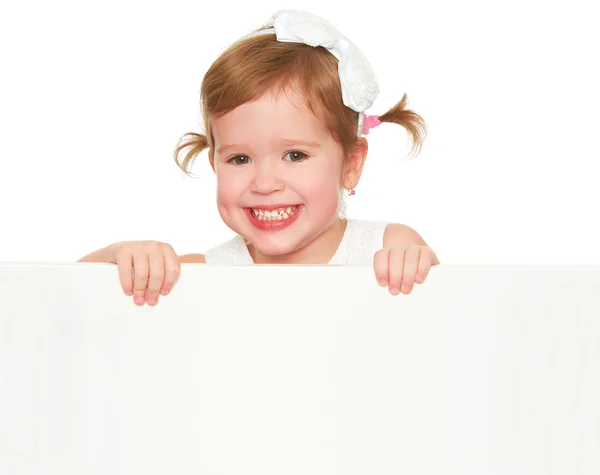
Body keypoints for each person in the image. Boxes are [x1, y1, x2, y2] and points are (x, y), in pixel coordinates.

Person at [78, 10, 440, 306]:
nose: (265, 183)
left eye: (294, 155)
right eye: (240, 160)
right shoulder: (198, 277)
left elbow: (452, 317)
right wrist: (123, 257)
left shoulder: (388, 249)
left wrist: (417, 269)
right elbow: (59, 296)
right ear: (214, 163)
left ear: (351, 165)